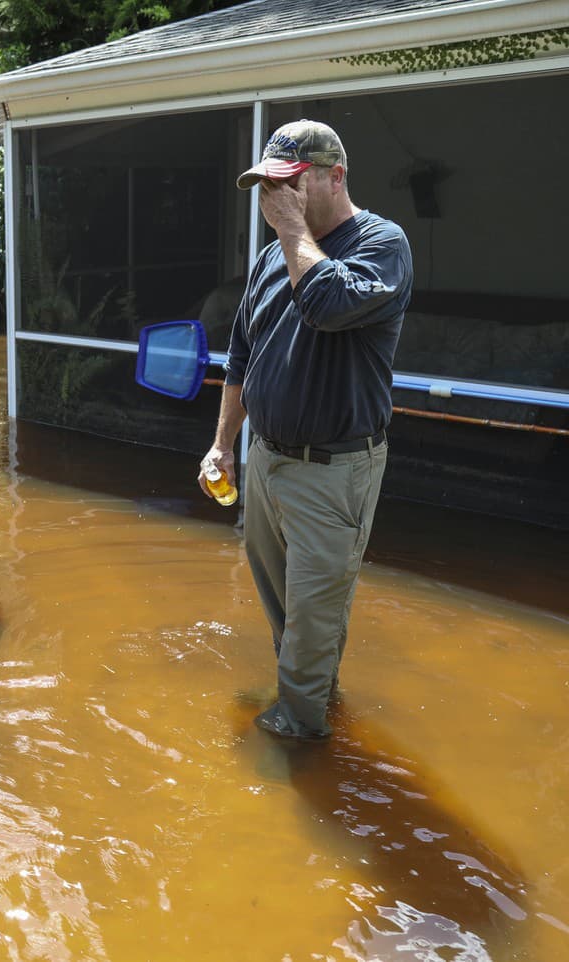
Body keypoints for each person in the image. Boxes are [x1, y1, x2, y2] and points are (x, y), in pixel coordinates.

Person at [200, 119, 413, 739]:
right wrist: (221, 445)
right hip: (268, 461)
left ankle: (298, 741)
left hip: (334, 469)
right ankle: (316, 697)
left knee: (315, 616)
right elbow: (243, 353)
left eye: (289, 184)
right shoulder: (271, 257)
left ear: (334, 176)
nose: (275, 198)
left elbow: (327, 305)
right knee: (284, 611)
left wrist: (293, 230)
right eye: (268, 184)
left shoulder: (383, 244)